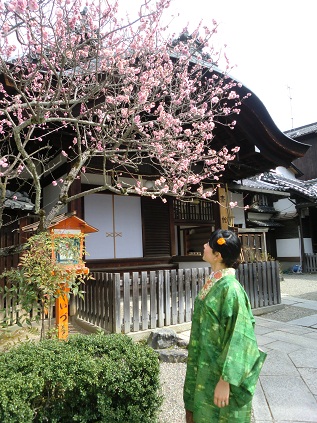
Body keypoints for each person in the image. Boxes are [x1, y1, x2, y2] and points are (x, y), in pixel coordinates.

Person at [183, 229, 266, 423]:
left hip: (219, 374)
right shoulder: (215, 281)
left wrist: (225, 380)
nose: (204, 246)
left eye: (208, 245)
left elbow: (241, 337)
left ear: (217, 255)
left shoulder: (231, 289)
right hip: (205, 365)